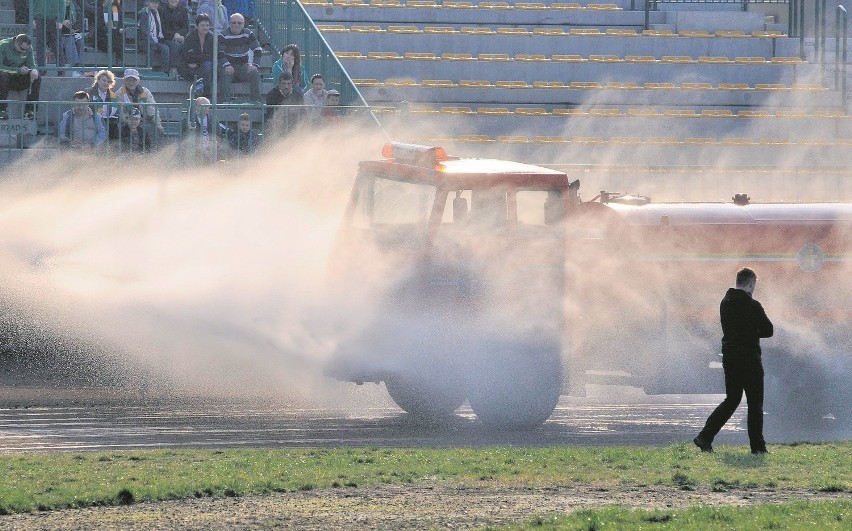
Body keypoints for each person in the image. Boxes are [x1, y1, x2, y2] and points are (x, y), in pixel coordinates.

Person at [694, 267, 773, 455]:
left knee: (732, 399)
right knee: (755, 404)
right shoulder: (753, 305)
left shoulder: (725, 302)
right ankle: (758, 447)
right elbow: (768, 330)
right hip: (750, 359)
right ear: (751, 283)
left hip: (730, 358)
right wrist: (754, 331)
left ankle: (705, 436)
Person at [218, 13, 262, 102]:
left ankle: (256, 101)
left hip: (243, 66)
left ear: (243, 24)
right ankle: (225, 101)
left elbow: (258, 49)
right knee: (225, 74)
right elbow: (219, 52)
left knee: (254, 72)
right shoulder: (223, 35)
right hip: (228, 67)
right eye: (233, 23)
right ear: (229, 23)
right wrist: (227, 65)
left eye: (239, 23)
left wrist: (255, 65)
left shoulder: (248, 33)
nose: (236, 25)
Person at [116, 68, 164, 143]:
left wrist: (158, 124)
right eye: (129, 80)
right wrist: (132, 122)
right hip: (128, 123)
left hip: (144, 120)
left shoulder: (145, 92)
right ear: (124, 81)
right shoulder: (119, 94)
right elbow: (121, 113)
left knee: (155, 129)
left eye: (134, 80)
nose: (131, 82)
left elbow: (152, 109)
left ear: (138, 81)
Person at [0, 34, 41, 121]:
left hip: (20, 77)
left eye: (25, 49)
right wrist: (17, 70)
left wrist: (33, 70)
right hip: (5, 77)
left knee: (37, 77)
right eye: (22, 49)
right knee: (3, 76)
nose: (24, 51)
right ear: (15, 43)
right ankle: (2, 109)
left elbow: (32, 64)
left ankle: (30, 110)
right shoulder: (3, 45)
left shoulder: (28, 48)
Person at [182, 13, 215, 97]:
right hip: (191, 67)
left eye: (207, 25)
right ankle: (203, 96)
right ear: (197, 26)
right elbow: (188, 56)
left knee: (207, 66)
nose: (205, 28)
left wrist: (198, 61)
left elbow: (212, 56)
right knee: (204, 68)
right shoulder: (190, 37)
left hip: (205, 66)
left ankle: (204, 95)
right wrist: (202, 58)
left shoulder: (212, 37)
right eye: (202, 25)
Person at [86, 69, 120, 140]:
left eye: (108, 82)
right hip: (92, 119)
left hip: (108, 121)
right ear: (98, 80)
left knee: (115, 127)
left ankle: (112, 149)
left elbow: (115, 111)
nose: (106, 83)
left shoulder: (113, 95)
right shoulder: (88, 92)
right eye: (104, 80)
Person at [138, 0, 170, 74]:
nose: (155, 4)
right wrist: (152, 42)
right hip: (144, 41)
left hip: (156, 40)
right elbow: (144, 31)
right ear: (147, 3)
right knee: (151, 48)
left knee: (165, 48)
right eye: (152, 2)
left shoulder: (158, 13)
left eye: (156, 2)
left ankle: (164, 72)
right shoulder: (144, 14)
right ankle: (149, 70)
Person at [160, 0, 190, 79]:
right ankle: (173, 70)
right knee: (175, 45)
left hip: (180, 37)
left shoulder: (183, 10)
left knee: (187, 45)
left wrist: (179, 35)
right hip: (166, 38)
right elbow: (162, 28)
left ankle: (185, 72)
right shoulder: (162, 10)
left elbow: (186, 27)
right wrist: (174, 35)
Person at [32, 0, 64, 68]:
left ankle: (61, 68)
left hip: (54, 19)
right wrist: (32, 18)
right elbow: (32, 3)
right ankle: (41, 68)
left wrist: (61, 20)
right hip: (40, 18)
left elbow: (62, 3)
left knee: (57, 45)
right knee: (40, 45)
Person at [58, 0, 83, 76]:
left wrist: (74, 29)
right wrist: (61, 22)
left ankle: (76, 69)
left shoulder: (75, 7)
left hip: (70, 33)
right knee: (69, 39)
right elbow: (50, 22)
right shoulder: (55, 6)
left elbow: (79, 22)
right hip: (57, 34)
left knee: (79, 39)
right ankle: (75, 69)